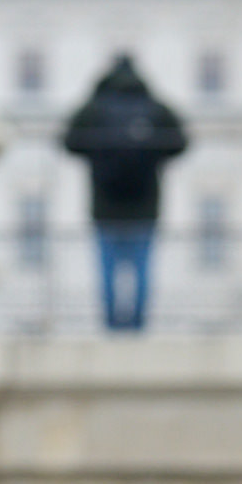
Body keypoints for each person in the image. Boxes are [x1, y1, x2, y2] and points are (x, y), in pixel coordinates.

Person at [60, 55, 187, 330]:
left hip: (105, 206)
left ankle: (112, 325)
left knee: (108, 270)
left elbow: (68, 140)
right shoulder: (152, 107)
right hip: (145, 205)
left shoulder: (97, 108)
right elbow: (181, 141)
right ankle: (137, 325)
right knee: (141, 270)